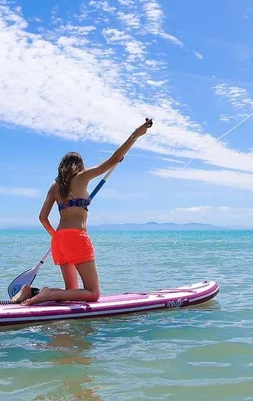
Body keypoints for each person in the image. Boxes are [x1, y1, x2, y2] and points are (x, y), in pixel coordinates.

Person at [12, 118, 154, 306]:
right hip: (77, 238)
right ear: (79, 165)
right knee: (93, 293)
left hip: (59, 240)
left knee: (72, 292)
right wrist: (136, 134)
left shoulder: (55, 187)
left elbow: (42, 217)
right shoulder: (82, 177)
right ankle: (46, 294)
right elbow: (112, 160)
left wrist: (57, 236)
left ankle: (31, 291)